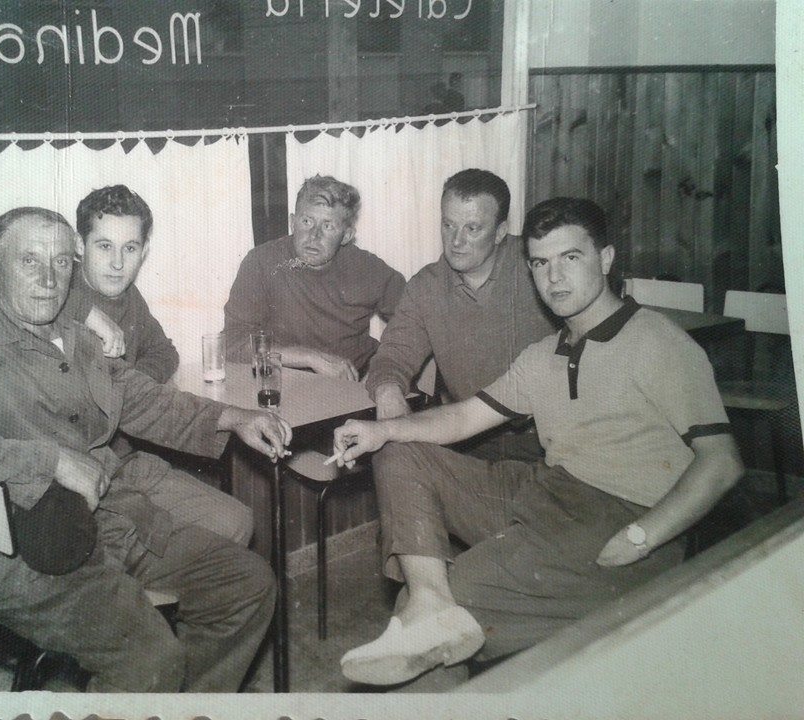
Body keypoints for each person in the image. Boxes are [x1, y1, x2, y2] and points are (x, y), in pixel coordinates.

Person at [331, 197, 743, 686]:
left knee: (445, 610)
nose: (554, 278)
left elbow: (723, 463)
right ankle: (429, 599)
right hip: (549, 490)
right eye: (541, 263)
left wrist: (643, 536)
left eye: (571, 258)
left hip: (620, 516)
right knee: (399, 452)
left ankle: (431, 606)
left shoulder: (658, 341)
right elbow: (463, 418)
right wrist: (381, 429)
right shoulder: (544, 354)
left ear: (606, 260)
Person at [0, 207, 292, 692]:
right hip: (32, 559)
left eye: (62, 262)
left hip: (115, 523)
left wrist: (233, 418)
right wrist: (52, 461)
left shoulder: (76, 336)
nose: (49, 280)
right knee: (150, 660)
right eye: (29, 261)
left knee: (247, 584)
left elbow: (143, 398)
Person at [0, 185, 254, 544]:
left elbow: (165, 353)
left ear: (144, 252)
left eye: (129, 248)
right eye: (104, 246)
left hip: (125, 461)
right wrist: (87, 312)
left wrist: (122, 391)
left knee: (237, 521)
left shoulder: (129, 296)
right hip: (69, 475)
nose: (118, 263)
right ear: (78, 248)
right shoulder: (52, 291)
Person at [366, 169, 556, 462]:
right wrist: (388, 392)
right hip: (465, 439)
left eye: (472, 228)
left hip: (545, 440)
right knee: (393, 460)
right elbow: (393, 355)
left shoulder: (539, 266)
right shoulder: (426, 286)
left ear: (501, 232)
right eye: (448, 225)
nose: (456, 241)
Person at [223, 174, 405, 381]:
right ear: (293, 222)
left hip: (352, 384)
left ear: (346, 235)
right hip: (287, 383)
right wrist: (309, 357)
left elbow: (416, 323)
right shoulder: (262, 262)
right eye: (307, 221)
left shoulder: (369, 269)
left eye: (328, 226)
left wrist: (385, 373)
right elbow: (231, 343)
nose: (314, 236)